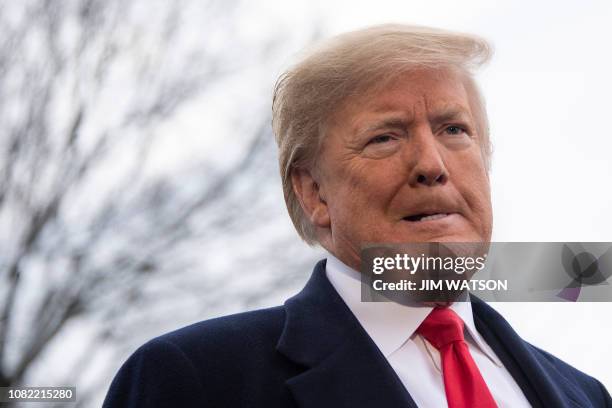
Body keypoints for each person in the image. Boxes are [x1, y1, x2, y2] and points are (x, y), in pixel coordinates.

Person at [103, 24, 611, 407]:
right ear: (313, 192)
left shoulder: (585, 394)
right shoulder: (196, 380)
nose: (431, 165)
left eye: (454, 130)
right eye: (385, 137)